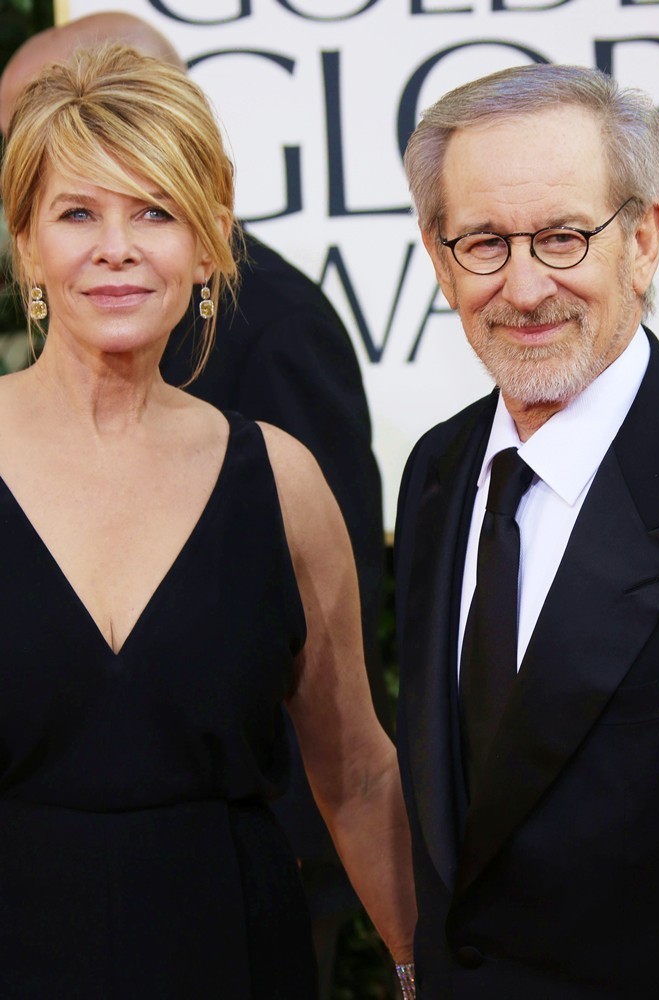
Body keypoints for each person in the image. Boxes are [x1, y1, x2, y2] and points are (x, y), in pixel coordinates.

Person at [0, 41, 416, 999]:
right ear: (28, 242)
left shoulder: (280, 480)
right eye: (77, 212)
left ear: (210, 241)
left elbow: (356, 773)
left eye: (156, 211)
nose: (117, 246)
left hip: (230, 954)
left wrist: (414, 969)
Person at [394, 62, 659, 998]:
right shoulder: (437, 473)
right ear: (440, 258)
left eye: (564, 237)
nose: (524, 289)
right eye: (483, 242)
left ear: (643, 241)